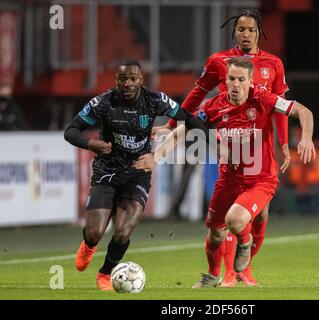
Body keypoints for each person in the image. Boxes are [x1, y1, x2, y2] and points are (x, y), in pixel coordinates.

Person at [145, 57, 315, 288]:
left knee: (234, 220)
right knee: (215, 235)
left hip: (260, 180)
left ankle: (244, 242)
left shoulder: (264, 100)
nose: (236, 84)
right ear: (225, 80)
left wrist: (305, 138)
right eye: (232, 78)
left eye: (241, 79)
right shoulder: (213, 106)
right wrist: (155, 157)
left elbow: (304, 112)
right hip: (228, 180)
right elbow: (184, 130)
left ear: (250, 82)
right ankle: (213, 274)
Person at [152, 9, 291, 287]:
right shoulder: (218, 61)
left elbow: (280, 109)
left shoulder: (273, 63)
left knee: (257, 214)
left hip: (259, 148)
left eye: (251, 29)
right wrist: (171, 123)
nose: (246, 34)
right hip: (223, 132)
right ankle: (224, 273)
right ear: (234, 32)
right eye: (241, 29)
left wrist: (284, 143)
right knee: (226, 220)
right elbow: (199, 93)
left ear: (259, 32)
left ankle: (243, 270)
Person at [63, 60, 210, 290]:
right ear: (116, 81)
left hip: (138, 172)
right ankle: (89, 244)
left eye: (133, 78)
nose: (128, 83)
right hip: (107, 171)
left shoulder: (155, 100)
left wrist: (213, 142)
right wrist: (92, 144)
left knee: (123, 231)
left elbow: (188, 119)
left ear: (141, 79)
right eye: (123, 79)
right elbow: (70, 131)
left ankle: (105, 274)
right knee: (94, 232)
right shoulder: (102, 103)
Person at [285, 126, 319, 214]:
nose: (294, 139)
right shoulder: (292, 154)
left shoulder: (311, 150)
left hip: (316, 185)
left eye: (296, 136)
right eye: (293, 136)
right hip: (298, 186)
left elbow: (310, 163)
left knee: (317, 210)